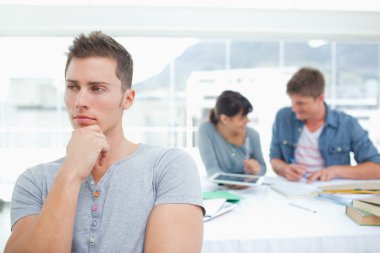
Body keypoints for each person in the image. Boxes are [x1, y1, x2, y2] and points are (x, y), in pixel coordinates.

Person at [5, 31, 204, 253]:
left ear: (127, 99)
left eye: (97, 88)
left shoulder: (168, 167)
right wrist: (71, 173)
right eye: (73, 87)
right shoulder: (35, 181)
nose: (80, 101)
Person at [270, 67, 380, 183]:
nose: (294, 108)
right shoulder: (283, 117)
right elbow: (274, 159)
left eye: (300, 103)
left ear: (320, 98)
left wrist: (335, 171)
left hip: (330, 193)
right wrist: (285, 169)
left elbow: (376, 168)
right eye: (292, 102)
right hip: (292, 190)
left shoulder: (347, 124)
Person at [198, 90, 266, 179]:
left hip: (247, 189)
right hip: (219, 188)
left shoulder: (253, 135)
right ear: (225, 119)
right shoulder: (206, 130)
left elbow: (263, 168)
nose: (248, 121)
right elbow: (212, 168)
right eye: (242, 117)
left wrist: (256, 171)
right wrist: (235, 181)